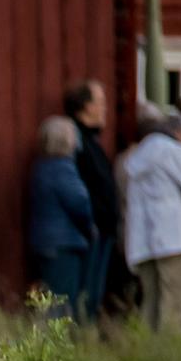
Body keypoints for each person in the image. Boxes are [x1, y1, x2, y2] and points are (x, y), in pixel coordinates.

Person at [122, 115, 181, 335]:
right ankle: (171, 360)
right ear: (180, 133)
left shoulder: (138, 156)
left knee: (150, 303)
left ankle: (145, 356)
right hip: (172, 238)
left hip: (142, 240)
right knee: (173, 302)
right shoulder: (173, 151)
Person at [26, 117, 97, 320]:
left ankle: (47, 343)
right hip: (63, 243)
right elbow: (80, 202)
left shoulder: (42, 167)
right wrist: (89, 227)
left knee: (50, 298)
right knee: (62, 300)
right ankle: (58, 344)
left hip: (45, 241)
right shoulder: (62, 167)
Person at [63, 79, 120, 323]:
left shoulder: (92, 141)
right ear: (86, 106)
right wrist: (92, 222)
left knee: (94, 296)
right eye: (100, 102)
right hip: (91, 230)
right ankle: (81, 344)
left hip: (103, 229)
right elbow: (78, 188)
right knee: (86, 296)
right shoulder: (77, 140)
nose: (105, 108)